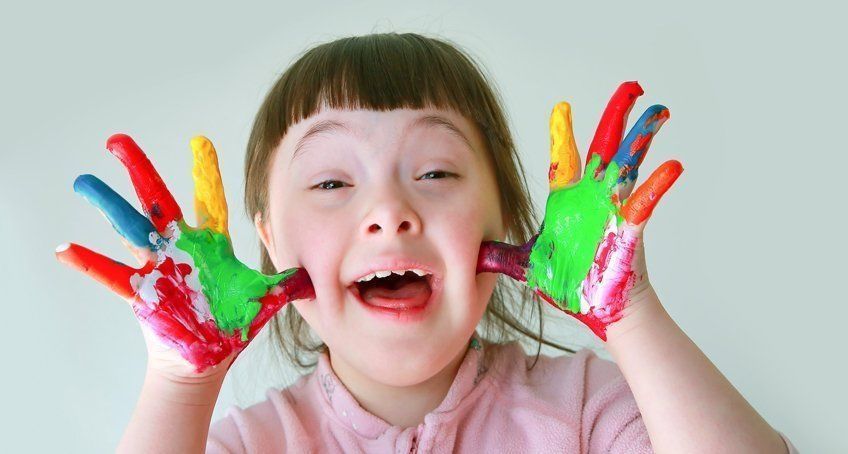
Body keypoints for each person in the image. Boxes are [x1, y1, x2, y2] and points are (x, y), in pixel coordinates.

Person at [58, 32, 797, 453]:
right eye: (331, 184)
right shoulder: (249, 445)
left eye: (436, 171)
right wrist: (180, 386)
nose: (389, 211)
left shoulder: (588, 408)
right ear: (272, 240)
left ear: (505, 220)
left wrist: (632, 316)